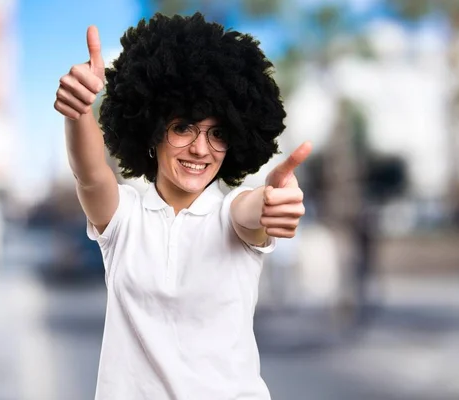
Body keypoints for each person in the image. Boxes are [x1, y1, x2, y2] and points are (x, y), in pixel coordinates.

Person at [54, 12, 311, 400]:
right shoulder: (125, 219)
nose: (200, 148)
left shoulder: (230, 216)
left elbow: (250, 211)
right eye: (183, 127)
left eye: (218, 133)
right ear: (152, 128)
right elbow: (90, 176)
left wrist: (271, 203)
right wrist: (79, 112)